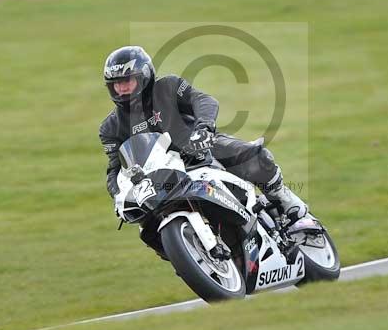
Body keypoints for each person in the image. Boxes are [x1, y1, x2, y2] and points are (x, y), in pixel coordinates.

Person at [99, 45, 309, 226]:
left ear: (144, 76)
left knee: (252, 155)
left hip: (198, 150)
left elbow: (203, 101)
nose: (122, 89)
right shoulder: (110, 127)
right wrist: (119, 195)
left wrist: (204, 129)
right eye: (117, 84)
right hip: (160, 180)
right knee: (145, 225)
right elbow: (115, 169)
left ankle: (285, 199)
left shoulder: (168, 87)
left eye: (128, 81)